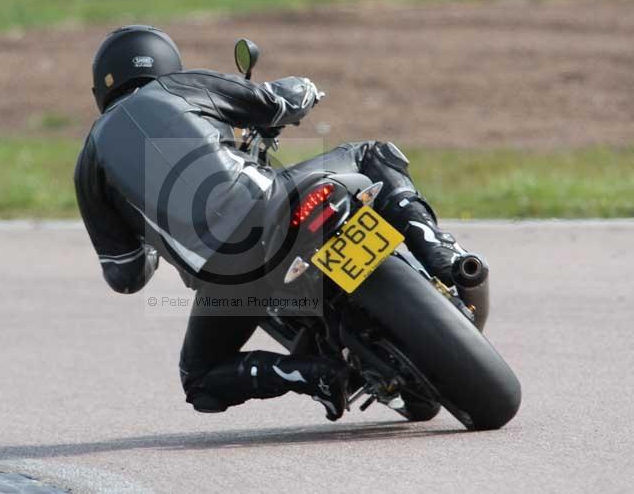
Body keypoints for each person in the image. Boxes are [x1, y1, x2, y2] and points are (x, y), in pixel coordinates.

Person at [74, 25, 476, 422]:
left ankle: (310, 375)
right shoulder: (181, 86)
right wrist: (306, 88)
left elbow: (125, 276)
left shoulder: (89, 163)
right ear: (168, 64)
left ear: (101, 89)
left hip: (227, 276)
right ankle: (440, 251)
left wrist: (149, 245)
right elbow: (277, 101)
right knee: (373, 154)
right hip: (273, 205)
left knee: (200, 378)